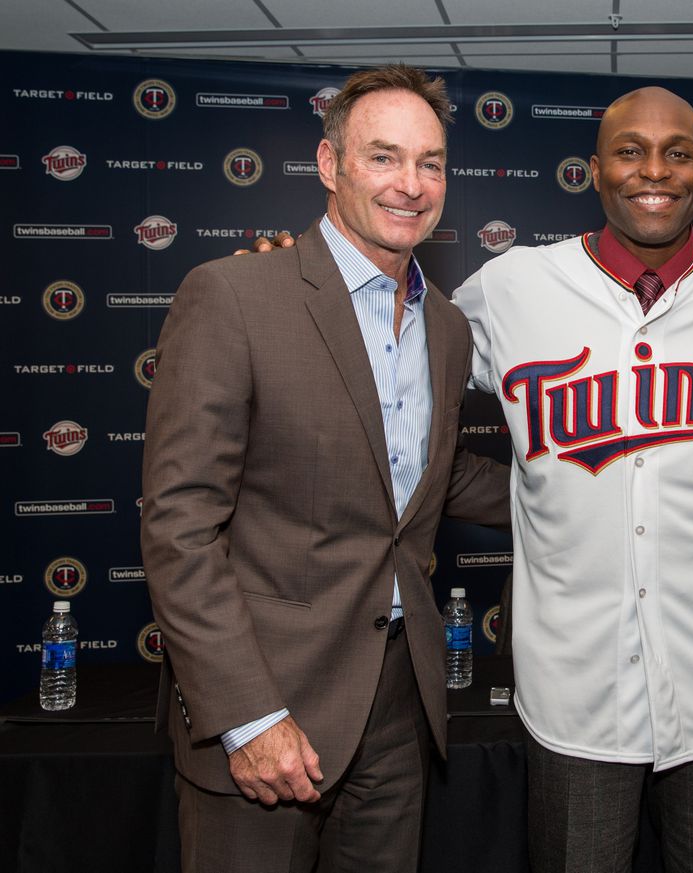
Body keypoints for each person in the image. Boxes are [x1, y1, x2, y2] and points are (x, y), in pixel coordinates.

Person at [140, 65, 509, 872]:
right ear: (330, 163)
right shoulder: (235, 296)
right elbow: (179, 522)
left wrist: (608, 483)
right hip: (269, 707)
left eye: (431, 162)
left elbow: (420, 484)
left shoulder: (445, 328)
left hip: (397, 713)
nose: (411, 184)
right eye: (383, 157)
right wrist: (247, 714)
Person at [452, 86, 693, 873]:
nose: (655, 170)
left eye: (677, 152)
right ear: (594, 170)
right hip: (576, 697)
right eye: (630, 151)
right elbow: (398, 380)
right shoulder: (509, 290)